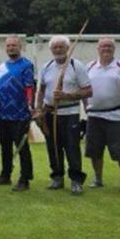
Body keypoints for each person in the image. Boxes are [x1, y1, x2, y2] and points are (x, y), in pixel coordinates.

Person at [37, 35, 92, 195]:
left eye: (61, 47)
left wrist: (66, 95)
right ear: (51, 50)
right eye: (55, 47)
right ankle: (57, 177)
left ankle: (76, 180)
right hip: (49, 113)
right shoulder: (46, 67)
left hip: (70, 113)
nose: (58, 50)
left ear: (68, 48)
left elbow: (88, 90)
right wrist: (39, 109)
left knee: (72, 147)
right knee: (53, 147)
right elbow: (41, 90)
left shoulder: (77, 66)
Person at [84, 37, 120, 191]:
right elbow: (84, 88)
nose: (106, 49)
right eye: (103, 46)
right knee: (94, 150)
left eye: (109, 46)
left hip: (117, 116)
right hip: (94, 116)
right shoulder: (90, 67)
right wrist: (86, 107)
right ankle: (98, 178)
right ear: (98, 49)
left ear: (114, 49)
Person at [0, 34, 37, 191]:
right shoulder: (2, 66)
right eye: (8, 45)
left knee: (22, 147)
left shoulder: (26, 65)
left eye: (14, 45)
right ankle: (5, 175)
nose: (11, 48)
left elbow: (29, 87)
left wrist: (30, 106)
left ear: (20, 46)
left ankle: (25, 179)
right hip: (3, 113)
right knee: (5, 147)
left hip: (20, 114)